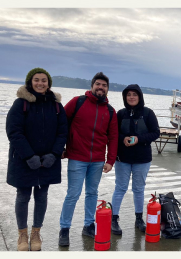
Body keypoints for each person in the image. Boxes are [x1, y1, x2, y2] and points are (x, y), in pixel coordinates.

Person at [6, 67, 68, 251]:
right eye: (36, 80)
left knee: (41, 196)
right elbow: (14, 132)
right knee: (23, 196)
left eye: (44, 80)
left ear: (48, 83)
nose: (40, 83)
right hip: (24, 160)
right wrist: (28, 156)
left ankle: (36, 232)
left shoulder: (56, 106)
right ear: (30, 82)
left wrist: (54, 154)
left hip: (48, 160)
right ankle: (22, 234)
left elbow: (63, 132)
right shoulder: (20, 104)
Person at [58, 72, 118, 246]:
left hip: (98, 160)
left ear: (107, 89)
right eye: (98, 84)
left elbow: (113, 137)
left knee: (92, 193)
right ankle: (64, 228)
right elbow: (61, 123)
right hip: (77, 157)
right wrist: (60, 148)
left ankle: (88, 225)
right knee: (73, 194)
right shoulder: (78, 102)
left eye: (104, 85)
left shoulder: (110, 111)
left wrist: (110, 160)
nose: (101, 87)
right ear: (92, 86)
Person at [111, 84, 160, 235]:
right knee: (120, 188)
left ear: (140, 97)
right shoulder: (120, 114)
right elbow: (112, 134)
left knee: (139, 189)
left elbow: (155, 133)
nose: (131, 97)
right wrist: (123, 138)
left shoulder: (148, 113)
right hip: (122, 159)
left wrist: (139, 139)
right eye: (128, 95)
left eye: (134, 94)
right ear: (125, 97)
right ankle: (113, 219)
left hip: (142, 159)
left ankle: (139, 218)